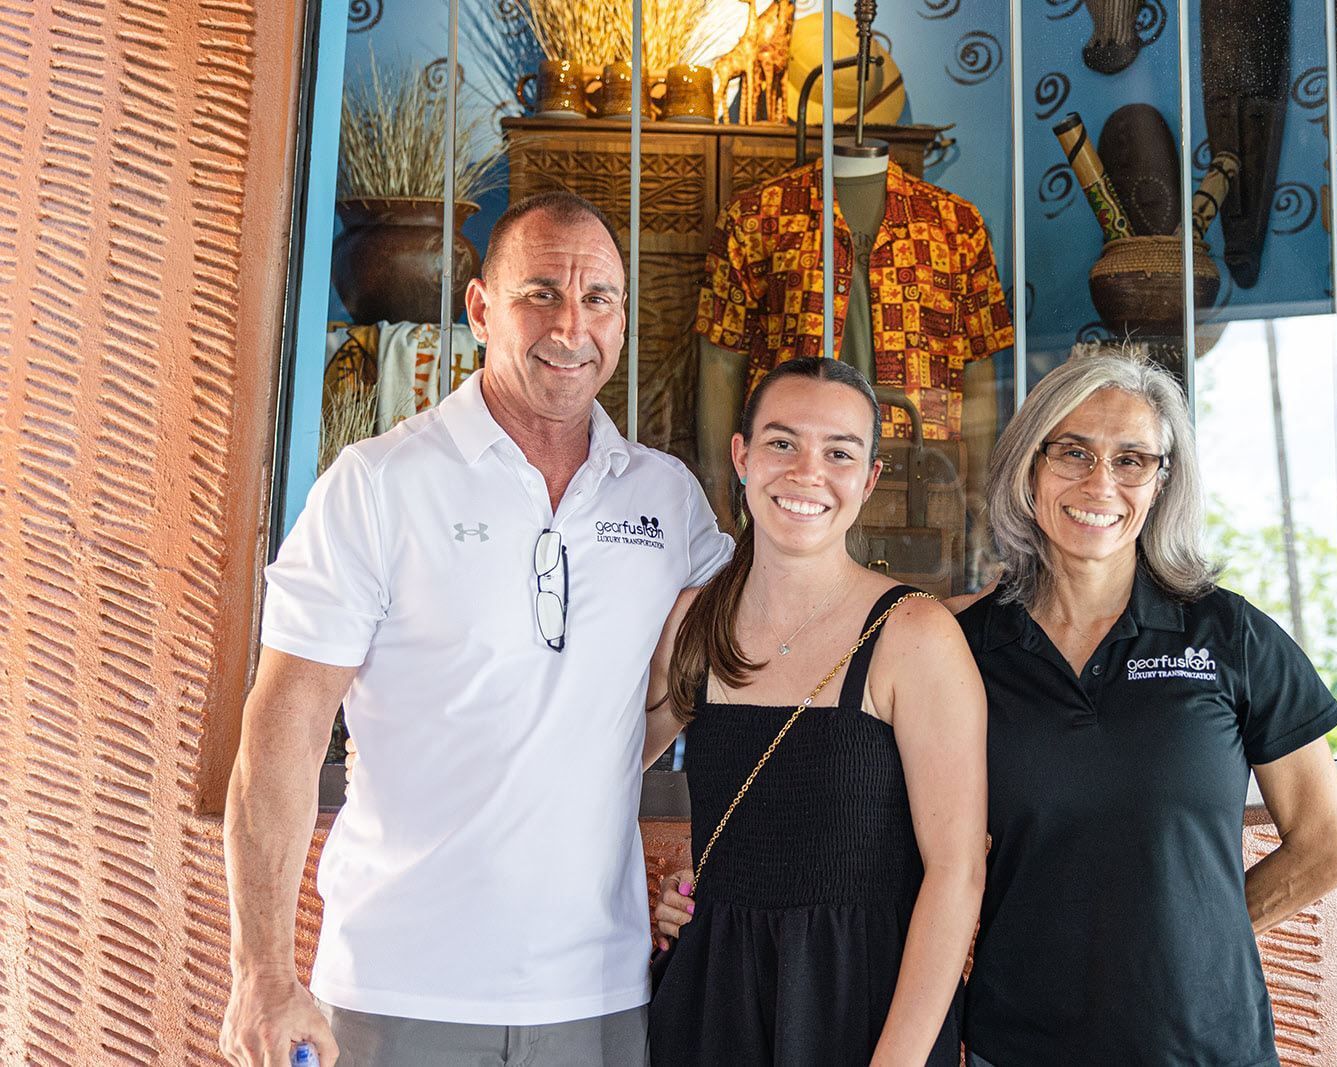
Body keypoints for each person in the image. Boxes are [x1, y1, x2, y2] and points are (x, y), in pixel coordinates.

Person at [219, 191, 733, 1067]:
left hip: (597, 995)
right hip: (395, 989)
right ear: (480, 307)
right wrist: (262, 971)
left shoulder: (667, 500)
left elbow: (730, 666)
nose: (571, 324)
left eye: (598, 298)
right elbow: (282, 732)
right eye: (540, 292)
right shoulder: (378, 485)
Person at [953, 350, 1337, 1065]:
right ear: (1029, 465)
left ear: (1162, 481)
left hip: (1206, 1044)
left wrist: (1202, 938)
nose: (1099, 482)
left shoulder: (1229, 636)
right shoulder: (966, 650)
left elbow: (1327, 846)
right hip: (1021, 1043)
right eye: (1073, 451)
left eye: (1132, 459)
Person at [645, 356, 987, 1065]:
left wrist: (897, 1059)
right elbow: (594, 774)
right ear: (741, 457)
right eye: (781, 442)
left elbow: (956, 874)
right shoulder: (691, 624)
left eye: (839, 452)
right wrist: (658, 898)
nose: (807, 471)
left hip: (857, 1006)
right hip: (711, 999)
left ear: (868, 480)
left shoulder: (914, 636)